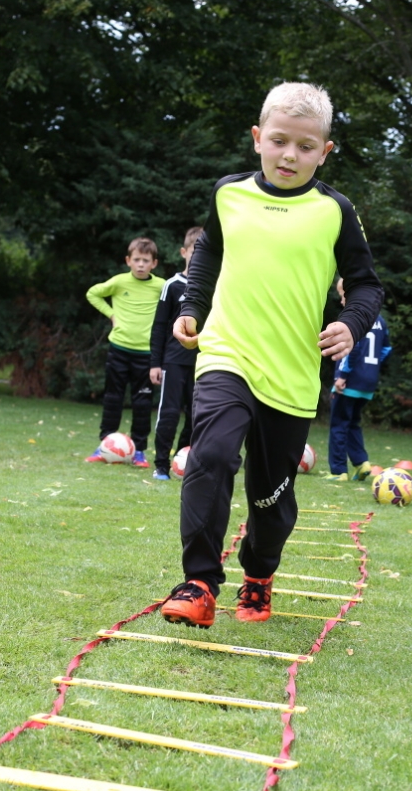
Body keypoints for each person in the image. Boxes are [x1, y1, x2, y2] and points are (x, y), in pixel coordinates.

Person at [159, 82, 383, 628]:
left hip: (292, 373)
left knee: (270, 499)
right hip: (227, 354)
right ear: (258, 138)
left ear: (325, 151)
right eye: (279, 141)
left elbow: (368, 285)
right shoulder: (228, 194)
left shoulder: (335, 210)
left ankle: (258, 575)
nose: (290, 155)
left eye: (306, 147)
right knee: (209, 457)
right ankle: (199, 583)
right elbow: (210, 247)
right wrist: (194, 302)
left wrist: (349, 324)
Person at [84, 237, 164, 467]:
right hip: (118, 350)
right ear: (128, 260)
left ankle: (139, 451)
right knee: (112, 399)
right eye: (136, 259)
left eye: (145, 260)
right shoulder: (119, 282)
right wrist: (111, 315)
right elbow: (92, 293)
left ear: (154, 264)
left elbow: (178, 300)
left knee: (142, 402)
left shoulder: (161, 286)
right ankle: (105, 446)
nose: (140, 264)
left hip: (146, 355)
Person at [148, 226, 203, 479]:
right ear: (184, 252)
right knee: (169, 413)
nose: (200, 256)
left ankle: (183, 459)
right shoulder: (172, 285)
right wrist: (155, 363)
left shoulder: (215, 287)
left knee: (196, 417)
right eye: (195, 251)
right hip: (173, 362)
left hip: (203, 362)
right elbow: (159, 327)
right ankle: (161, 465)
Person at [325, 277, 390, 481]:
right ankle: (362, 463)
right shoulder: (380, 320)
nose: (342, 301)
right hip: (367, 383)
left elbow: (351, 349)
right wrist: (370, 367)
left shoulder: (352, 320)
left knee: (338, 425)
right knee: (353, 423)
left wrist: (341, 376)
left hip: (349, 382)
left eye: (343, 296)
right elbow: (387, 349)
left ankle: (338, 471)